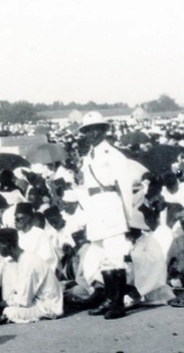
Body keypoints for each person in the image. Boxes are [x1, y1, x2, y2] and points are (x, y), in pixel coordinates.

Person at [78, 111, 134, 319]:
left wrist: (127, 217)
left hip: (111, 206)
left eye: (95, 129)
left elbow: (125, 187)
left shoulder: (114, 155)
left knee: (115, 256)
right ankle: (109, 300)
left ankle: (118, 303)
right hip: (95, 209)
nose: (91, 134)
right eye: (87, 130)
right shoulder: (87, 158)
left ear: (103, 130)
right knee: (102, 257)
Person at [0, 228, 63, 324]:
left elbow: (24, 301)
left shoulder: (29, 262)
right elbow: (9, 294)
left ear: (7, 245)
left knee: (9, 312)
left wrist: (7, 302)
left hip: (47, 306)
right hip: (34, 302)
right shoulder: (12, 264)